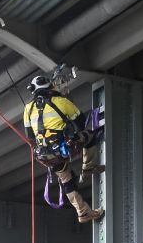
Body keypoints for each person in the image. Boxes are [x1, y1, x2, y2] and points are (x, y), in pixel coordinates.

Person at [23, 75, 104, 223]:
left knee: (66, 179)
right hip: (64, 148)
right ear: (50, 87)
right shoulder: (61, 102)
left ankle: (83, 212)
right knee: (89, 136)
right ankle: (88, 167)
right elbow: (80, 123)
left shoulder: (28, 108)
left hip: (45, 156)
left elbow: (30, 136)